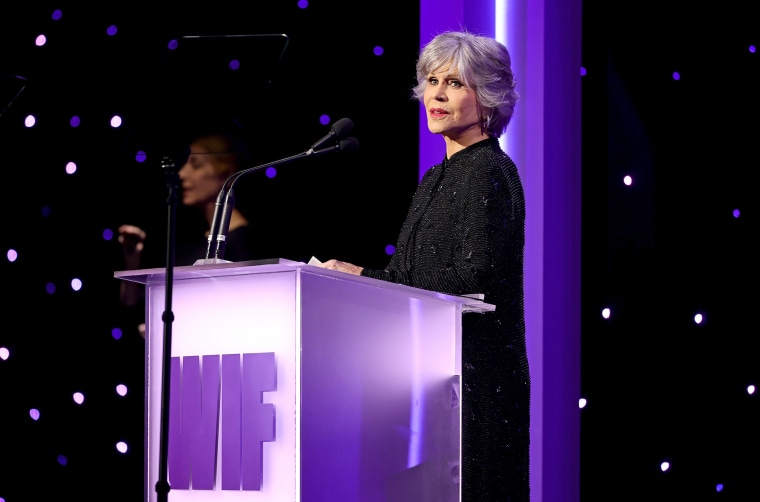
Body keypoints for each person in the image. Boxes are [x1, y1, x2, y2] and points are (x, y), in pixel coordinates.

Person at [316, 30, 529, 501]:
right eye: (431, 80)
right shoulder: (437, 176)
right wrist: (353, 279)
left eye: (453, 82)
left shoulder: (491, 172)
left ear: (487, 97)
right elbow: (410, 275)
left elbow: (475, 279)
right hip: (430, 374)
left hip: (476, 382)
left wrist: (366, 278)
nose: (435, 93)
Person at [118, 128, 260, 337]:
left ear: (226, 171)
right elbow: (131, 302)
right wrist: (132, 259)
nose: (182, 174)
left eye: (196, 165)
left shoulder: (243, 243)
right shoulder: (194, 241)